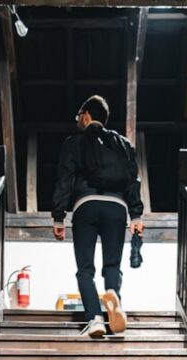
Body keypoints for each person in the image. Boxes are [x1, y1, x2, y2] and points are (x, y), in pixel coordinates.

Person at [51, 95, 145, 338]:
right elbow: (133, 180)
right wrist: (135, 215)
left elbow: (65, 179)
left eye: (79, 116)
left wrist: (59, 217)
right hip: (116, 207)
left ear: (86, 115)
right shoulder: (123, 143)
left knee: (85, 269)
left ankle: (94, 318)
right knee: (112, 264)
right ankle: (112, 294)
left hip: (86, 204)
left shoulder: (74, 143)